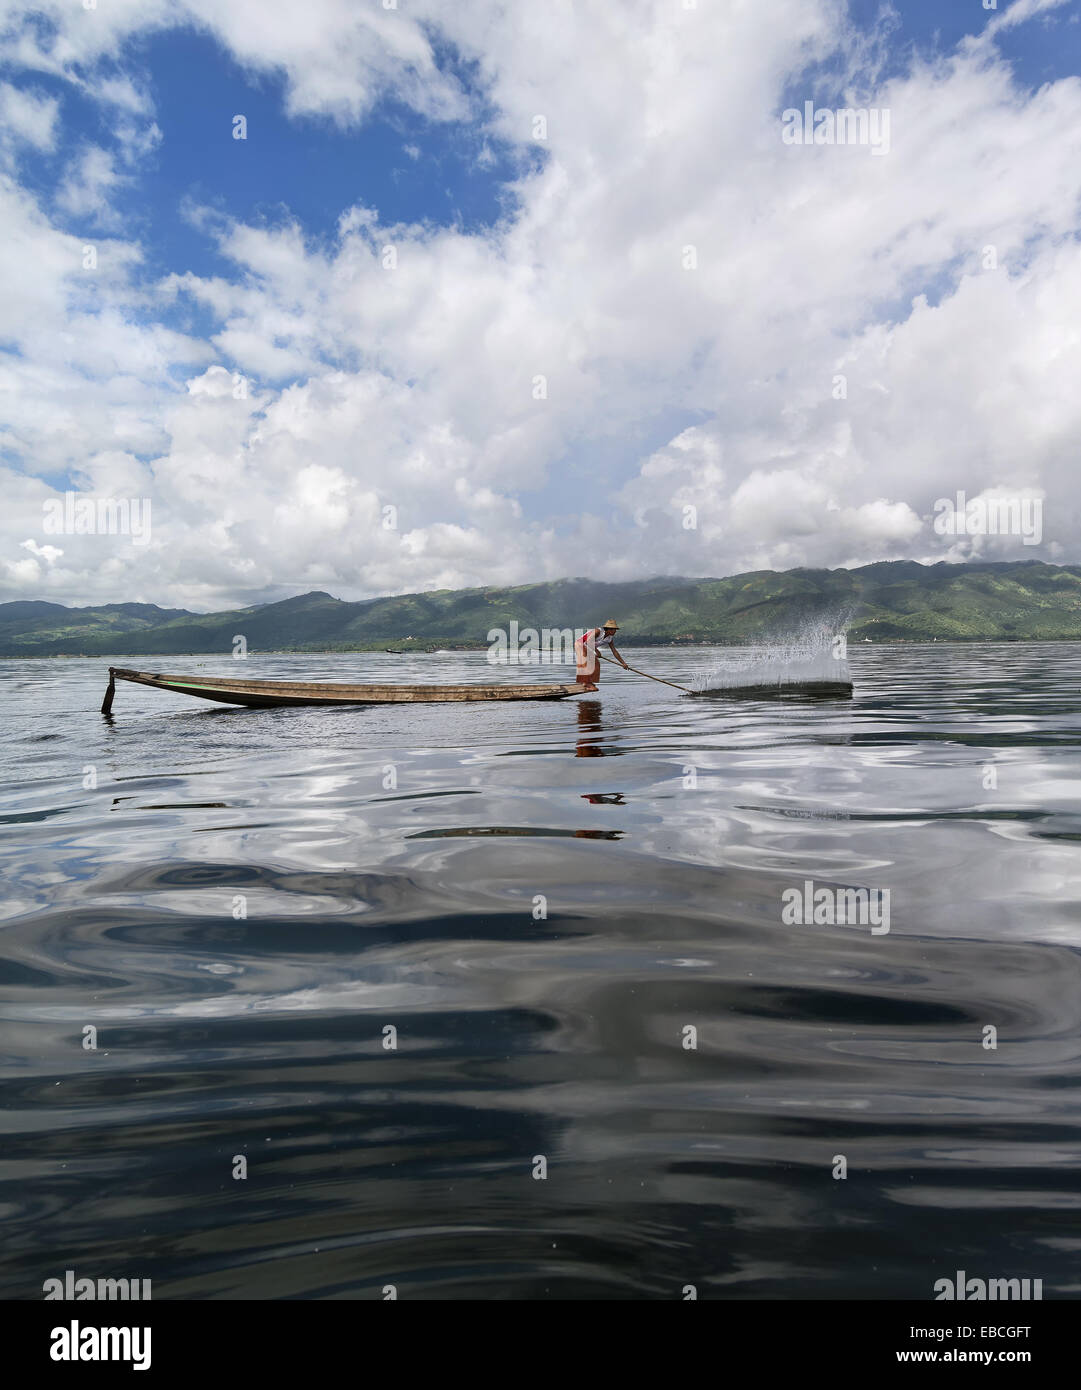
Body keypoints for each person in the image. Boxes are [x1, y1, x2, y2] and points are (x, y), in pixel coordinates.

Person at [574, 619, 629, 688]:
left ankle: (588, 682)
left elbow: (614, 651)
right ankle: (585, 682)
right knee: (591, 662)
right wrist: (597, 651)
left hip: (588, 647)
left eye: (615, 630)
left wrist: (623, 663)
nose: (615, 631)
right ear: (608, 629)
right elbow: (588, 641)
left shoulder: (610, 638)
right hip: (580, 644)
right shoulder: (598, 631)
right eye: (613, 629)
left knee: (596, 664)